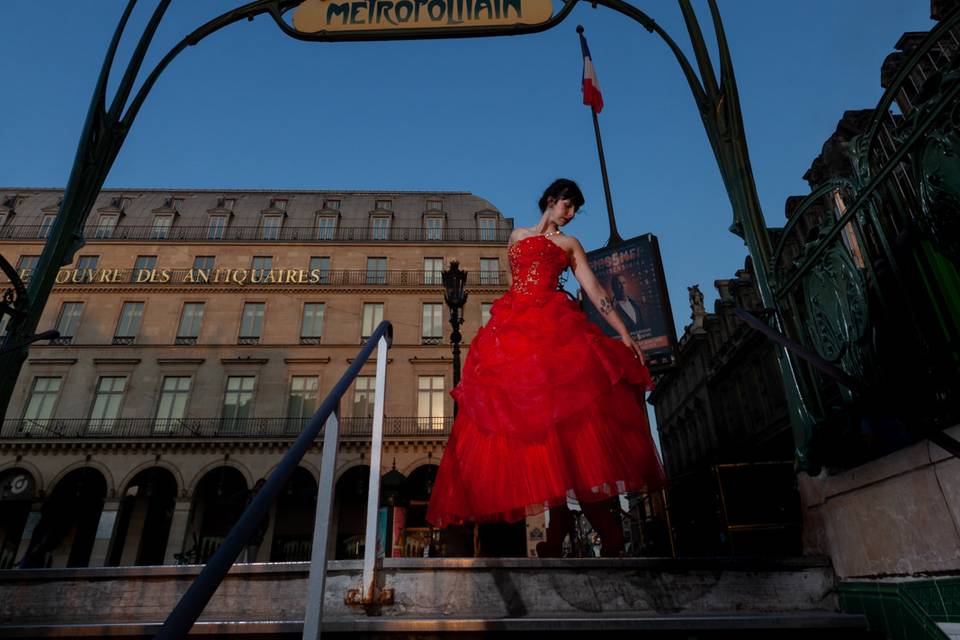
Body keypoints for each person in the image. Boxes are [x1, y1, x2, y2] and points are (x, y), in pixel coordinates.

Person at [425, 178, 665, 557]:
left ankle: (595, 529)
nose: (570, 215)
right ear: (552, 200)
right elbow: (512, 286)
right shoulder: (516, 237)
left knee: (569, 432)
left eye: (574, 209)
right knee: (540, 432)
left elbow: (595, 292)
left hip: (555, 329)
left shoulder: (569, 245)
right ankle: (561, 525)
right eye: (568, 206)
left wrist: (624, 333)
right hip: (519, 330)